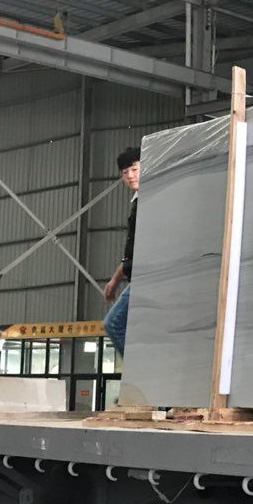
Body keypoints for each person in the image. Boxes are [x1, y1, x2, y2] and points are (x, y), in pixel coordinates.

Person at [103, 147, 140, 355]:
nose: (130, 176)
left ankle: (140, 369)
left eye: (134, 169)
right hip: (138, 277)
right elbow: (132, 253)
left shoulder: (151, 200)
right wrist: (115, 280)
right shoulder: (138, 202)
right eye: (125, 172)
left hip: (147, 279)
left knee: (113, 324)